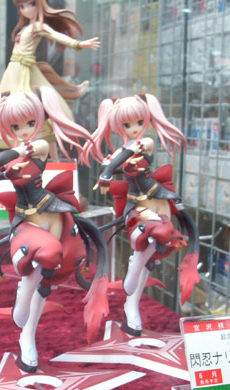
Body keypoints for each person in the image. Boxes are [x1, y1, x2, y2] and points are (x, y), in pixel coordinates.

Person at [0, 87, 109, 372]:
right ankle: (24, 291)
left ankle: (27, 336)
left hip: (50, 211)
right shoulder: (12, 156)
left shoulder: (38, 146)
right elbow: (0, 170)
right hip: (26, 221)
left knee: (51, 273)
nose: (24, 131)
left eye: (30, 123)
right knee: (46, 257)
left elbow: (9, 156)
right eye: (15, 126)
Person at [92, 93, 200, 336]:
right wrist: (107, 172)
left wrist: (108, 170)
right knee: (146, 238)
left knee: (160, 236)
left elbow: (124, 156)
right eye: (127, 125)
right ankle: (135, 279)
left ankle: (135, 278)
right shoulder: (122, 150)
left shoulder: (146, 142)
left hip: (155, 196)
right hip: (136, 203)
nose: (134, 128)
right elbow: (113, 162)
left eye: (139, 122)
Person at [0, 0, 99, 129]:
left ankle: (44, 129)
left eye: (31, 4)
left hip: (25, 69)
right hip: (14, 70)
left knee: (31, 102)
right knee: (8, 103)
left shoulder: (39, 27)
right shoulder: (25, 28)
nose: (26, 9)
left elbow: (56, 36)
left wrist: (78, 44)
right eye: (21, 7)